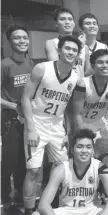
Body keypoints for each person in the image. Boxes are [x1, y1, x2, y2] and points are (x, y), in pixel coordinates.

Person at [21, 35, 81, 215]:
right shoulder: (42, 68)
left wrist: (67, 132)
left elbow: (69, 109)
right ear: (60, 50)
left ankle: (53, 205)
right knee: (33, 170)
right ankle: (29, 210)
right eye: (67, 48)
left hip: (57, 126)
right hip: (37, 123)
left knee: (61, 168)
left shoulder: (75, 78)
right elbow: (25, 98)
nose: (70, 52)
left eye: (74, 50)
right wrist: (30, 129)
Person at [37, 129, 108, 215]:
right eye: (80, 147)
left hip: (91, 210)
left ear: (92, 150)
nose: (84, 151)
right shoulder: (61, 169)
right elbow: (43, 204)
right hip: (67, 211)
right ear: (72, 149)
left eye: (88, 147)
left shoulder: (100, 167)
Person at [71, 49, 108, 162]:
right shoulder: (83, 84)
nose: (105, 65)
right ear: (93, 65)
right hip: (82, 124)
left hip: (98, 123)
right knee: (84, 159)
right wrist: (82, 136)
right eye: (100, 62)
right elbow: (76, 114)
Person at [1, 25, 34, 213]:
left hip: (28, 119)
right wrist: (15, 106)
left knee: (24, 161)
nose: (22, 41)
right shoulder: (4, 65)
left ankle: (20, 196)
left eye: (24, 37)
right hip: (10, 119)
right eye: (17, 38)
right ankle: (5, 200)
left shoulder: (31, 64)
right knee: (9, 162)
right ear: (10, 41)